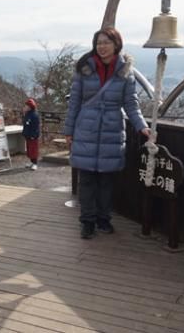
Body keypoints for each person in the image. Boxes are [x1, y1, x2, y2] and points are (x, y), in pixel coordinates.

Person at [63, 27, 151, 240]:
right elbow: (74, 102)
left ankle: (104, 219)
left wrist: (142, 126)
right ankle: (87, 222)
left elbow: (131, 104)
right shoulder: (84, 68)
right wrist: (69, 130)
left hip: (112, 129)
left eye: (106, 42)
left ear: (116, 44)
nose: (101, 47)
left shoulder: (125, 72)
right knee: (87, 180)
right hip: (87, 128)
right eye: (98, 42)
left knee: (106, 181)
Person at [22, 98, 41, 171]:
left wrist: (34, 135)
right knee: (29, 150)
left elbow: (36, 127)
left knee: (34, 150)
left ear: (30, 107)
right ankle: (32, 162)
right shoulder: (27, 114)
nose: (25, 107)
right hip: (28, 135)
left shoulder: (34, 115)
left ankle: (35, 163)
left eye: (26, 106)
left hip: (33, 136)